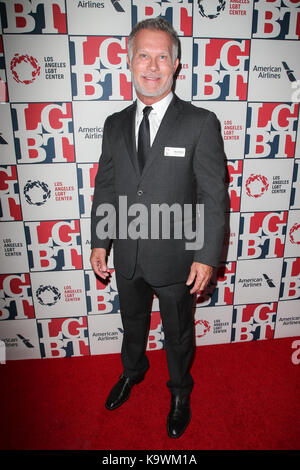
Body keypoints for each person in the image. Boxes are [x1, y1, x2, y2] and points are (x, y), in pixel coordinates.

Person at [90, 17, 226, 439]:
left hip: (177, 260)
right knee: (132, 321)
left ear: (176, 64)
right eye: (143, 56)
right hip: (127, 254)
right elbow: (107, 185)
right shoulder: (114, 123)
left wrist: (206, 256)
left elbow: (213, 196)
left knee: (178, 333)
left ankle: (180, 391)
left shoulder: (201, 122)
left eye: (161, 56)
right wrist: (101, 241)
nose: (152, 66)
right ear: (129, 62)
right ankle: (133, 371)